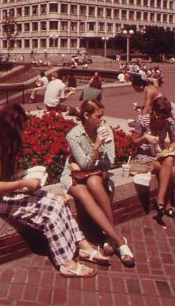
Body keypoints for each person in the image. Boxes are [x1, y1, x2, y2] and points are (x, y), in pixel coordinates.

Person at [0, 104, 105, 277]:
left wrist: (26, 177)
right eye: (20, 126)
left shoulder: (3, 141)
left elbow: (4, 177)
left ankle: (83, 246)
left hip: (6, 190)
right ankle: (66, 263)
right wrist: (23, 183)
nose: (22, 131)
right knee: (49, 215)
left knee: (58, 201)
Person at [59, 100, 136, 267]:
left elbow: (110, 162)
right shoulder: (73, 135)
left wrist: (96, 160)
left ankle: (110, 237)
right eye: (98, 116)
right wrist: (96, 146)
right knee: (84, 194)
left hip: (94, 174)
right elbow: (84, 166)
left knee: (94, 181)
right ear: (86, 115)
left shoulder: (105, 130)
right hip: (73, 176)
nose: (102, 120)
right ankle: (120, 241)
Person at [130, 97, 175, 220]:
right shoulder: (143, 120)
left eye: (164, 117)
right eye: (159, 117)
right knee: (171, 171)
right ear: (153, 111)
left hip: (159, 154)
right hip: (143, 157)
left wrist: (170, 149)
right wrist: (145, 138)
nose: (161, 120)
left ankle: (160, 201)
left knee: (169, 160)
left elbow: (173, 141)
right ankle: (166, 205)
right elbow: (133, 143)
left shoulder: (168, 121)